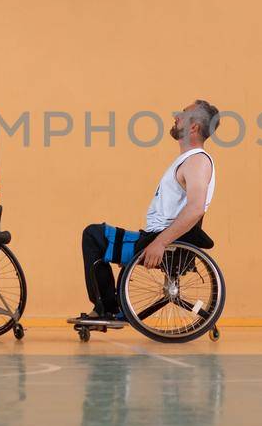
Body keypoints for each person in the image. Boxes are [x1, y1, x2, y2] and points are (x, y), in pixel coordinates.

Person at [78, 98, 218, 321]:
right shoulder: (187, 161)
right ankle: (110, 308)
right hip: (156, 238)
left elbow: (195, 209)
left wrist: (160, 243)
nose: (176, 117)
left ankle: (107, 309)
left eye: (182, 114)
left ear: (193, 127)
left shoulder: (197, 162)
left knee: (95, 236)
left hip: (163, 242)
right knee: (97, 235)